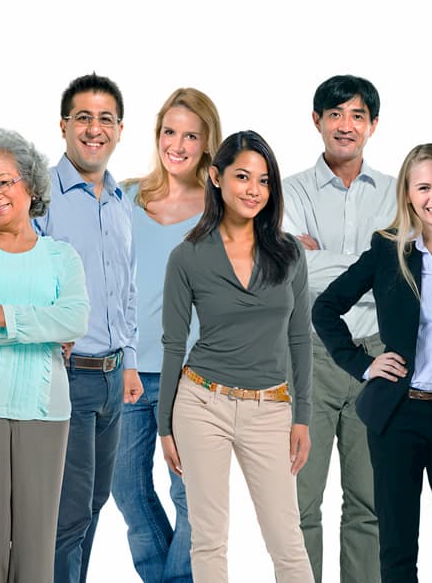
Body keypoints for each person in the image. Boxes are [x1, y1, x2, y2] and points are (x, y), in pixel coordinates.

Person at [313, 143, 432, 582]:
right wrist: (363, 365)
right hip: (398, 415)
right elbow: (325, 308)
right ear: (408, 194)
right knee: (397, 545)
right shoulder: (387, 249)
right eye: (423, 187)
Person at [159, 130, 313, 582]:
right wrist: (164, 426)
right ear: (215, 177)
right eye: (242, 176)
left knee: (286, 540)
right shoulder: (186, 256)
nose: (253, 190)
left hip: (271, 408)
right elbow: (173, 343)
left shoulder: (289, 253)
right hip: (202, 402)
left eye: (263, 181)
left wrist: (302, 416)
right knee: (208, 538)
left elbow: (300, 337)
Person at [0, 127, 90, 583]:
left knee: (36, 553)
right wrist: (37, 325)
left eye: (3, 182)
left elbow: (75, 320)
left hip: (45, 411)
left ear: (29, 184)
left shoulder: (61, 256)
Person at [283, 75, 393, 583]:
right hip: (309, 355)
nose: (345, 126)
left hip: (378, 356)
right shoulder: (289, 191)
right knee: (299, 503)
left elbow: (405, 276)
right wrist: (372, 267)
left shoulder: (399, 192)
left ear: (372, 125)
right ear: (317, 121)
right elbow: (289, 272)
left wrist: (320, 259)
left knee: (369, 503)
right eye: (334, 115)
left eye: (356, 116)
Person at [36, 73, 144, 583]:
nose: (94, 129)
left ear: (120, 130)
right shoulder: (42, 197)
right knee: (67, 512)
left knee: (95, 503)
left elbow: (126, 289)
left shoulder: (122, 202)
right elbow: (22, 275)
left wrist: (129, 359)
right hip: (65, 375)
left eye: (105, 119)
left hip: (110, 380)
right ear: (63, 126)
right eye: (83, 117)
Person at [114, 87, 219, 583]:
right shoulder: (126, 195)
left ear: (206, 142)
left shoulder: (222, 208)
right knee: (126, 489)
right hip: (127, 368)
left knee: (192, 498)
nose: (177, 144)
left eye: (190, 135)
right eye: (169, 132)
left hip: (193, 374)